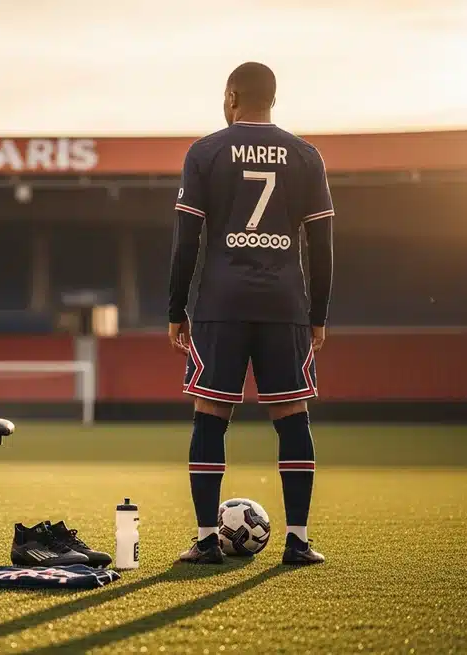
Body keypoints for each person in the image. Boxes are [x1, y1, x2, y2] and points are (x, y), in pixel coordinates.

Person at [168, 62, 332, 566]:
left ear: (232, 95)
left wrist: (177, 309)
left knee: (211, 416)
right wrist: (318, 314)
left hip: (221, 304)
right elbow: (322, 245)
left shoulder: (206, 151)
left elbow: (187, 241)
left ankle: (204, 540)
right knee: (291, 416)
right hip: (284, 304)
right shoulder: (306, 156)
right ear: (273, 99)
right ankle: (299, 541)